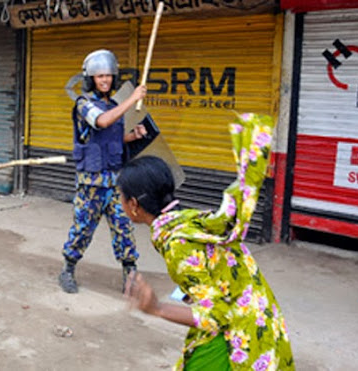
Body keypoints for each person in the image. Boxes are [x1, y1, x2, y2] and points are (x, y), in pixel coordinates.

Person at [118, 114, 294, 370]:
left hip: (237, 338)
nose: (119, 203)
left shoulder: (176, 243)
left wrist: (156, 308)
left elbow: (217, 315)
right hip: (260, 320)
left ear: (133, 205)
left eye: (121, 197)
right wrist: (191, 293)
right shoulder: (186, 219)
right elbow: (213, 272)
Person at [58, 49, 149, 293]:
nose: (105, 80)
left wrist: (134, 136)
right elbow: (102, 122)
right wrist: (134, 98)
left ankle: (130, 274)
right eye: (100, 76)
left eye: (109, 75)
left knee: (124, 228)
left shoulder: (114, 106)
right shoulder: (84, 104)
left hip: (116, 181)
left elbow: (114, 137)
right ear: (91, 79)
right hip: (91, 182)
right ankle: (67, 269)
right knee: (83, 228)